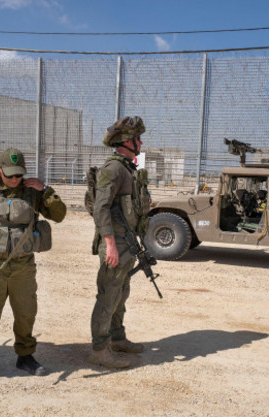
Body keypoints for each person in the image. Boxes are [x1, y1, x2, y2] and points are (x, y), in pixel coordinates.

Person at [0, 148, 66, 387]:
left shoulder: (34, 192)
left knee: (26, 312)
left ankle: (25, 356)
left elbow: (60, 215)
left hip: (24, 266)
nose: (15, 179)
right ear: (0, 171)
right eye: (10, 175)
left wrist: (46, 190)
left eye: (18, 175)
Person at [88, 116, 151, 369]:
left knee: (121, 293)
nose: (141, 142)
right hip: (115, 243)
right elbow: (100, 208)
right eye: (138, 138)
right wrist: (110, 244)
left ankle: (117, 337)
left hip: (127, 241)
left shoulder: (127, 168)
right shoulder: (113, 169)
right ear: (127, 142)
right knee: (108, 295)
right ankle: (100, 349)